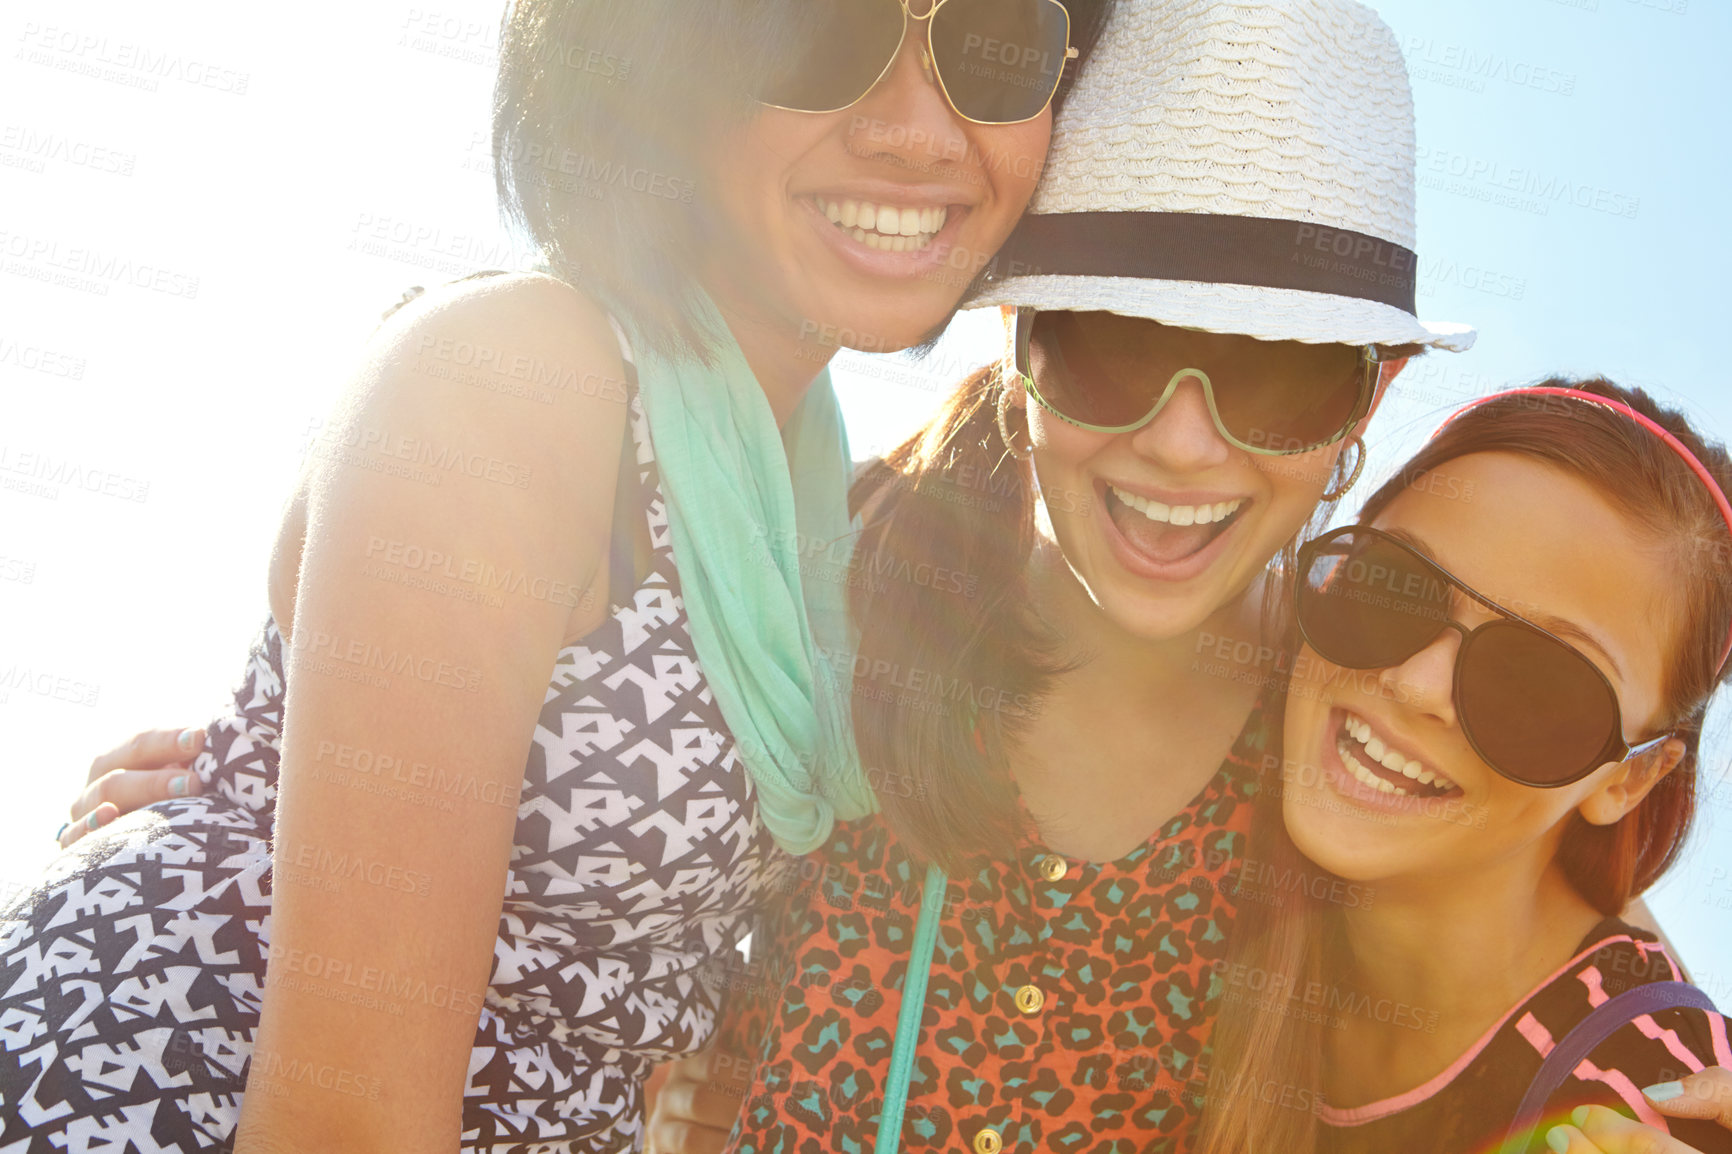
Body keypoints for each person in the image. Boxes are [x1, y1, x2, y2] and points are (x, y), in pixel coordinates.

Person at [0, 2, 1115, 1151]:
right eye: (822, 32)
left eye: (995, 44)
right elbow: (342, 1129)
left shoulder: (791, 492)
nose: (919, 132)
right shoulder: (519, 382)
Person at [659, 3, 1478, 1152]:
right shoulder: (838, 570)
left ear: (1369, 397)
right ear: (1019, 335)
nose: (1184, 445)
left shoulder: (1355, 732)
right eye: (1113, 342)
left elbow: (1573, 951)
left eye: (1280, 375)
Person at [1197, 382, 1732, 1154]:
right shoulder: (1217, 760)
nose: (1416, 687)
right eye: (1393, 586)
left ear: (1629, 780)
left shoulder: (1635, 1106)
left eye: (1539, 683)